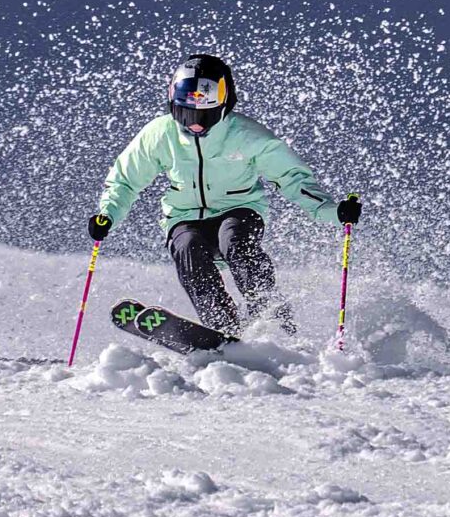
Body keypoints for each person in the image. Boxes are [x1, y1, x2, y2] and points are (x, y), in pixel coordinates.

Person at [88, 54, 360, 337]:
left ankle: (269, 315)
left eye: (204, 116)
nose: (195, 125)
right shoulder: (159, 134)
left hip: (239, 210)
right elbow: (125, 180)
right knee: (187, 249)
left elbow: (292, 178)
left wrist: (332, 211)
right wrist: (107, 215)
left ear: (225, 105)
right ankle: (222, 326)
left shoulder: (247, 136)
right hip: (184, 218)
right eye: (186, 115)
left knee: (234, 240)